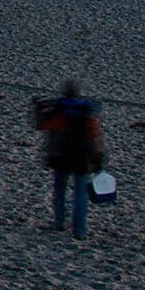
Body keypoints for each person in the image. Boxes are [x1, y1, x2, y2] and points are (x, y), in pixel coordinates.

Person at [38, 79, 105, 237]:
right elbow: (94, 137)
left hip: (61, 156)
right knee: (80, 194)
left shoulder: (59, 110)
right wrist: (98, 158)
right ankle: (79, 230)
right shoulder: (86, 112)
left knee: (60, 190)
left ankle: (59, 222)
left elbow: (42, 125)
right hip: (81, 157)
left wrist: (41, 109)